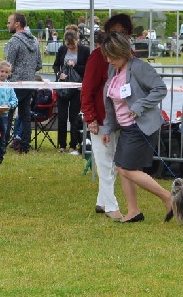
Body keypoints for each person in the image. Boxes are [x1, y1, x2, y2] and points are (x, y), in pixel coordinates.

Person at [100, 32, 172, 224]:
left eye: (112, 56)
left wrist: (140, 106)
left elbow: (160, 89)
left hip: (141, 126)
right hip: (125, 127)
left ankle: (168, 197)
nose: (108, 60)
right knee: (122, 167)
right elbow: (110, 103)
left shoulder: (140, 67)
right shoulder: (113, 70)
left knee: (127, 169)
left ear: (123, 52)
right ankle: (133, 211)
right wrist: (107, 128)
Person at [81, 30, 122, 220]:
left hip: (119, 118)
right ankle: (111, 206)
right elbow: (87, 89)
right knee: (105, 162)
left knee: (111, 162)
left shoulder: (126, 57)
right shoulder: (97, 58)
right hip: (101, 118)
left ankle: (102, 201)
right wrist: (90, 118)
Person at [5, 12, 42, 154]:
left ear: (17, 24)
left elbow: (8, 66)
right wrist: (29, 71)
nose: (8, 25)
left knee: (7, 114)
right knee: (25, 115)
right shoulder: (34, 40)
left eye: (9, 22)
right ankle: (25, 145)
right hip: (30, 82)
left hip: (15, 83)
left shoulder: (14, 41)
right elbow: (39, 64)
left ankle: (3, 143)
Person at [53, 30, 89, 154]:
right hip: (63, 87)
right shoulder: (62, 50)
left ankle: (73, 144)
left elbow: (87, 68)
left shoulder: (84, 50)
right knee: (62, 117)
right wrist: (59, 74)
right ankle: (62, 145)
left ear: (77, 40)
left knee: (74, 117)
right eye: (68, 45)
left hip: (77, 88)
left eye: (72, 44)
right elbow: (56, 65)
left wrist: (75, 66)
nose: (70, 47)